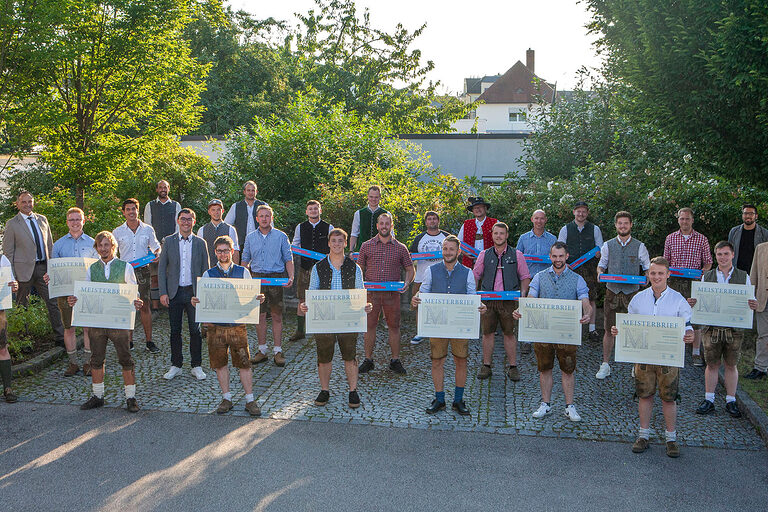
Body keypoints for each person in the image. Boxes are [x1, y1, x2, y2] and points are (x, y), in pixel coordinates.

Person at [611, 256, 694, 458]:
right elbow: (628, 325)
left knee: (669, 398)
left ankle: (671, 439)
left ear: (668, 274)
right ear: (647, 274)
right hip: (644, 356)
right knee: (644, 395)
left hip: (668, 358)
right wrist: (618, 330)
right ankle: (643, 435)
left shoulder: (678, 300)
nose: (656, 277)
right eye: (653, 273)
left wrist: (689, 333)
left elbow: (687, 324)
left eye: (660, 273)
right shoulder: (638, 299)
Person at [514, 242, 591, 421]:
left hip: (566, 332)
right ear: (550, 257)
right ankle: (545, 404)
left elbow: (585, 300)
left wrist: (588, 313)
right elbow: (531, 298)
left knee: (568, 370)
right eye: (554, 256)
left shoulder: (577, 279)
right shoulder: (539, 277)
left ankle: (570, 406)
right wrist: (521, 310)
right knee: (545, 368)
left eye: (561, 256)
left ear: (567, 256)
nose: (558, 259)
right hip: (543, 331)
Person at [71, 231, 145, 413]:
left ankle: (130, 398)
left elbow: (133, 290)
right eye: (100, 245)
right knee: (96, 358)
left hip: (118, 321)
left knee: (125, 358)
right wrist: (75, 300)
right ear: (96, 248)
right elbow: (86, 293)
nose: (103, 249)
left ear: (113, 247)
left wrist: (137, 300)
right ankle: (98, 396)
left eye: (106, 245)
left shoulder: (125, 266)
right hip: (98, 321)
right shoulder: (92, 269)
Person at [411, 235, 485, 417]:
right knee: (437, 361)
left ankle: (458, 400)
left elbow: (471, 296)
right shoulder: (431, 270)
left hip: (459, 325)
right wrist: (416, 298)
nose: (448, 252)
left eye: (451, 249)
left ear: (459, 252)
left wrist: (479, 306)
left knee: (461, 360)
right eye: (445, 249)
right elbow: (424, 291)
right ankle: (440, 399)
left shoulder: (468, 272)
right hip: (437, 325)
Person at [192, 235, 264, 416]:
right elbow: (204, 301)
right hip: (215, 327)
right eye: (219, 251)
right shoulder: (208, 274)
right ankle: (227, 398)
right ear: (215, 252)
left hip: (237, 326)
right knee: (220, 363)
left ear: (232, 251)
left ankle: (250, 399)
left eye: (226, 250)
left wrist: (258, 299)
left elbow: (250, 297)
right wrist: (197, 302)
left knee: (244, 363)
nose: (223, 254)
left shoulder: (243, 272)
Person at [299, 228, 371, 408]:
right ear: (329, 243)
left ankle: (353, 391)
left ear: (345, 243)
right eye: (334, 241)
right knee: (324, 357)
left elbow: (360, 293)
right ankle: (324, 390)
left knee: (350, 356)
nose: (337, 244)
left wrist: (366, 306)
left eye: (341, 241)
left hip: (347, 319)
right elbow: (313, 293)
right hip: (325, 320)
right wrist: (305, 305)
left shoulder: (354, 267)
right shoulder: (318, 267)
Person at [692, 241, 757, 416]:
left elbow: (750, 301)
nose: (723, 257)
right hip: (712, 329)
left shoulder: (744, 276)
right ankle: (709, 399)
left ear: (733, 255)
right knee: (712, 364)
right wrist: (694, 302)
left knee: (731, 364)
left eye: (726, 254)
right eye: (719, 254)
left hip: (734, 329)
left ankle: (731, 400)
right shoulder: (708, 276)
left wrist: (753, 304)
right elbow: (701, 300)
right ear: (716, 256)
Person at [2, 190, 65, 346]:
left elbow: (50, 245)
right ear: (17, 204)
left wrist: (52, 268)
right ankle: (24, 341)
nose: (27, 205)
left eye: (30, 201)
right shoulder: (12, 224)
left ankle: (61, 337)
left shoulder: (42, 220)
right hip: (22, 272)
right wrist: (11, 276)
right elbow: (8, 252)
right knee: (22, 306)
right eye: (23, 202)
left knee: (53, 302)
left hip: (43, 268)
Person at [357, 212, 415, 374]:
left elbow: (410, 269)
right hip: (371, 294)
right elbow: (359, 268)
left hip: (392, 295)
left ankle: (395, 360)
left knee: (394, 326)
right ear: (377, 226)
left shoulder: (400, 248)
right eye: (381, 223)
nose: (384, 226)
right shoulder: (366, 246)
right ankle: (368, 360)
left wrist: (407, 283)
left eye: (387, 224)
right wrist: (359, 285)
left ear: (391, 226)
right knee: (369, 326)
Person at [473, 222, 531, 381]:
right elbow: (475, 275)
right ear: (492, 235)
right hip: (488, 301)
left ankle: (513, 367)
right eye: (496, 233)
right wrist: (472, 295)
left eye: (502, 233)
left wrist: (523, 297)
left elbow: (525, 277)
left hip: (509, 301)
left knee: (509, 333)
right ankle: (486, 365)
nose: (499, 236)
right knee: (487, 333)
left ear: (507, 235)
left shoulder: (517, 254)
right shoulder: (483, 254)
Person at [596, 211, 650, 379]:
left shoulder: (640, 246)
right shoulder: (608, 245)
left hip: (632, 293)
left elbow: (647, 267)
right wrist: (599, 273)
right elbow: (602, 265)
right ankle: (605, 364)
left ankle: (636, 365)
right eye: (620, 223)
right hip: (612, 292)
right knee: (608, 330)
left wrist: (647, 278)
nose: (623, 226)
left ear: (631, 225)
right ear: (616, 225)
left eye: (626, 223)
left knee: (634, 330)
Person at [158, 208, 210, 381]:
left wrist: (204, 293)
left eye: (189, 219)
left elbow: (206, 270)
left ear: (194, 222)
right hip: (174, 291)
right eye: (183, 219)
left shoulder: (200, 243)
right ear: (178, 221)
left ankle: (196, 365)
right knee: (175, 330)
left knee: (195, 331)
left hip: (194, 293)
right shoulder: (169, 242)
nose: (186, 222)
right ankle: (176, 365)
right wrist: (163, 292)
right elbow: (161, 269)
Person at [46, 207, 97, 376]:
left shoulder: (92, 243)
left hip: (86, 293)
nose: (75, 222)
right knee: (69, 328)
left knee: (88, 329)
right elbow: (55, 271)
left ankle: (88, 362)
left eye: (78, 219)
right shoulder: (59, 245)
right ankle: (73, 363)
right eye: (71, 220)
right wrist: (49, 276)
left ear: (83, 221)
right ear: (67, 222)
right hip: (65, 294)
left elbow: (97, 269)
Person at [241, 205, 294, 366]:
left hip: (276, 279)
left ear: (272, 218)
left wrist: (291, 276)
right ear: (257, 219)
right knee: (259, 316)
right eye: (261, 216)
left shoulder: (281, 236)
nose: (264, 218)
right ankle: (262, 350)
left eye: (267, 216)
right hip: (257, 279)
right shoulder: (250, 237)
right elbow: (245, 259)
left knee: (277, 315)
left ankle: (278, 350)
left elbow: (288, 258)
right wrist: (243, 279)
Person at [663, 207, 712, 367]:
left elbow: (708, 262)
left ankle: (696, 352)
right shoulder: (670, 238)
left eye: (687, 219)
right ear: (678, 220)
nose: (684, 221)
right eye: (682, 218)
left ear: (692, 220)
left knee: (694, 318)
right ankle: (672, 347)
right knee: (672, 314)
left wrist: (703, 273)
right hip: (674, 281)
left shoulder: (702, 239)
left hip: (694, 283)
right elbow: (665, 261)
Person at [113, 198, 161, 352]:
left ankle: (149, 342)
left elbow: (156, 246)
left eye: (134, 208)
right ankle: (129, 342)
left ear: (138, 210)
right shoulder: (117, 232)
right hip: (125, 271)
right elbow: (113, 253)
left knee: (144, 305)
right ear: (123, 212)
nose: (131, 212)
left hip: (143, 271)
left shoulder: (148, 229)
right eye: (128, 209)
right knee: (128, 306)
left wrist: (157, 253)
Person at [558, 201, 604, 342]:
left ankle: (592, 329)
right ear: (574, 212)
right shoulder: (565, 229)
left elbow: (601, 248)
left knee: (591, 298)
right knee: (570, 298)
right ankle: (571, 327)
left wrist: (599, 253)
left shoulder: (594, 229)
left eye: (584, 211)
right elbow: (559, 248)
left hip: (589, 269)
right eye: (578, 211)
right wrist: (565, 263)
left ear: (587, 213)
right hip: (571, 268)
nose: (581, 214)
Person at [291, 200, 333, 341]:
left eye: (316, 208)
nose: (313, 211)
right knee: (302, 298)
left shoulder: (329, 227)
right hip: (305, 267)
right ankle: (300, 330)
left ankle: (323, 328)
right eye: (310, 209)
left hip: (323, 269)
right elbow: (295, 244)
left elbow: (333, 245)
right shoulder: (300, 227)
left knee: (324, 297)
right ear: (306, 212)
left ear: (320, 210)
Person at [516, 208, 557, 354]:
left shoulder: (553, 239)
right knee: (527, 308)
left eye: (542, 218)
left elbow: (556, 258)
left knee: (545, 308)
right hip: (528, 277)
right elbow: (518, 258)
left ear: (545, 220)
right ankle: (526, 340)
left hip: (547, 278)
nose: (539, 221)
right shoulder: (523, 238)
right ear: (532, 220)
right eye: (536, 218)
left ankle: (544, 338)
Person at [408, 210, 449, 345]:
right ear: (425, 222)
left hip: (443, 278)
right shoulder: (419, 238)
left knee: (442, 306)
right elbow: (410, 257)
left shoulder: (447, 237)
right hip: (421, 278)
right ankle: (420, 331)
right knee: (419, 305)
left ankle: (442, 332)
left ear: (438, 221)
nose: (432, 221)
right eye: (429, 219)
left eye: (434, 218)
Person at [144, 180, 181, 310]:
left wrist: (172, 241)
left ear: (169, 189)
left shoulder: (176, 205)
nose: (163, 189)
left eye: (165, 187)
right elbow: (147, 225)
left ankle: (172, 303)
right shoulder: (150, 205)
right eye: (160, 187)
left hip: (171, 245)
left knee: (171, 274)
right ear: (157, 190)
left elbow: (178, 226)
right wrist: (153, 246)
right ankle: (155, 307)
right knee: (155, 276)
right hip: (154, 246)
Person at [224, 180, 268, 250]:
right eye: (248, 190)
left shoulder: (263, 205)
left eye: (253, 190)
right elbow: (226, 226)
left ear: (256, 192)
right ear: (244, 192)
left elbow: (270, 225)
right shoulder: (236, 206)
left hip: (260, 244)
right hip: (241, 245)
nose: (250, 193)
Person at [746, 240, 768, 380]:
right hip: (763, 299)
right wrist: (751, 296)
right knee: (763, 335)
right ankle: (760, 367)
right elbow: (753, 275)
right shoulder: (761, 248)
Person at [0, 255, 19, 403]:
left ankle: (8, 389)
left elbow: (12, 284)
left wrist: (14, 286)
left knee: (2, 348)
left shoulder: (2, 259)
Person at [198, 199, 239, 267]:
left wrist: (235, 271)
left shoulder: (231, 229)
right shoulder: (202, 230)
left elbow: (235, 251)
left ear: (222, 211)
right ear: (209, 212)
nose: (216, 212)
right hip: (208, 269)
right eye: (213, 210)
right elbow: (199, 253)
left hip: (226, 269)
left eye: (218, 210)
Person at [458, 197, 496, 269]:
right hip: (469, 263)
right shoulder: (466, 224)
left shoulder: (495, 222)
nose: (478, 209)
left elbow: (501, 241)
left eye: (480, 207)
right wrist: (464, 253)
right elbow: (458, 242)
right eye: (475, 208)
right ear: (472, 210)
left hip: (490, 263)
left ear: (485, 208)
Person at [728, 204, 768, 273]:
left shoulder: (764, 233)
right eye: (745, 213)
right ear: (742, 215)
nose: (748, 216)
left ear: (756, 216)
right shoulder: (734, 232)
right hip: (737, 271)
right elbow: (729, 251)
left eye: (751, 213)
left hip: (757, 271)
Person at [350, 185, 387, 252]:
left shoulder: (387, 214)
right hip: (362, 251)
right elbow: (354, 234)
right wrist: (351, 251)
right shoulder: (358, 213)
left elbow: (391, 235)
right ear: (367, 196)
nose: (373, 199)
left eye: (376, 197)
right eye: (371, 197)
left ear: (380, 197)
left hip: (381, 251)